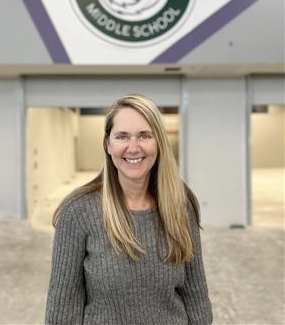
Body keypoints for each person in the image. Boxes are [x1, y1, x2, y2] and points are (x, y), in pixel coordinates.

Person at [45, 94, 213, 325]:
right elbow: (62, 311)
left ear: (159, 142)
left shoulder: (180, 205)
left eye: (144, 135)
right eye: (122, 136)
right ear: (108, 144)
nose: (133, 148)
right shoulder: (79, 211)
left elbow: (196, 296)